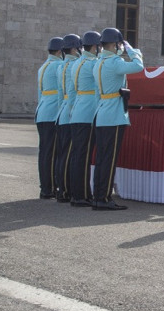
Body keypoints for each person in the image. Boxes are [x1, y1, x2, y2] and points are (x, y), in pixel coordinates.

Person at [90, 28, 144, 210]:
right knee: (109, 159)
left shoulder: (98, 63)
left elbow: (98, 93)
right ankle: (104, 198)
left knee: (101, 159)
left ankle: (98, 196)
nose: (120, 47)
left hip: (102, 112)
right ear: (114, 45)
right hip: (113, 116)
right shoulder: (114, 61)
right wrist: (133, 51)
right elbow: (138, 66)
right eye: (119, 44)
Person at [66, 31, 102, 208]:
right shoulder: (93, 64)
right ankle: (82, 195)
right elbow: (98, 90)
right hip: (88, 112)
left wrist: (72, 110)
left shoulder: (76, 63)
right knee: (84, 155)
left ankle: (76, 193)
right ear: (95, 47)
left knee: (77, 155)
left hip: (77, 111)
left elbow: (71, 92)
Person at [35, 37, 65, 199]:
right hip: (53, 112)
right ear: (60, 52)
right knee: (53, 153)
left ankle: (45, 186)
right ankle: (50, 188)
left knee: (45, 152)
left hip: (42, 112)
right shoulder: (59, 66)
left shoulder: (43, 67)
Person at [53, 33, 81, 203]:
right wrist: (72, 110)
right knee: (69, 154)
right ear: (73, 48)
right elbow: (71, 92)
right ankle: (65, 190)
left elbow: (59, 93)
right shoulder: (73, 65)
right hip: (69, 112)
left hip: (61, 111)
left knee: (63, 154)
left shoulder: (61, 66)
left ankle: (61, 188)